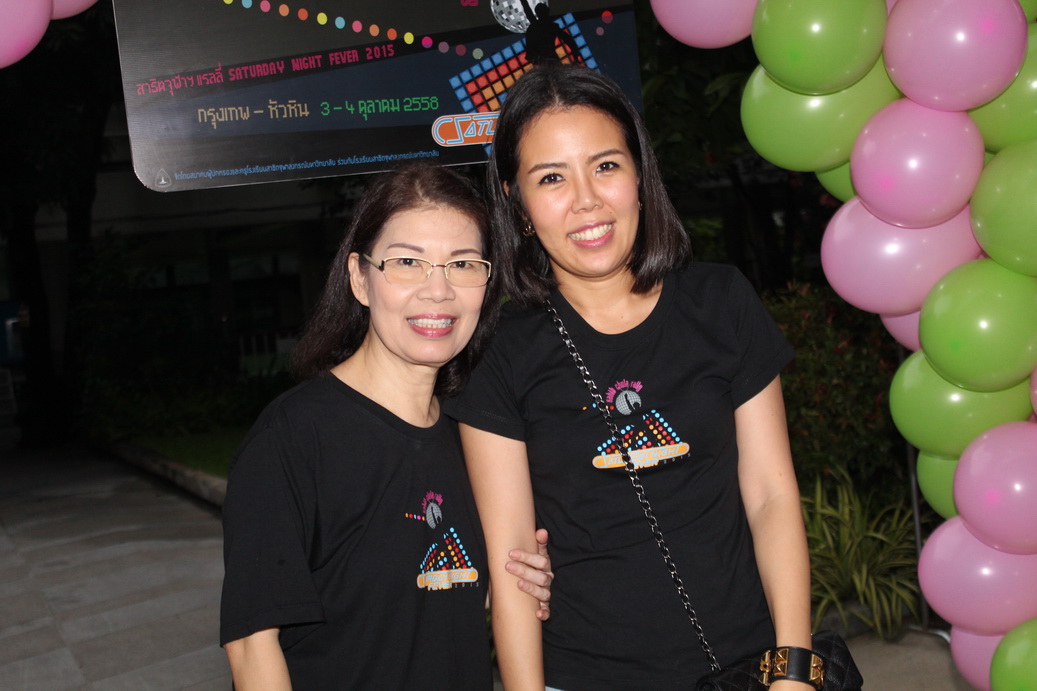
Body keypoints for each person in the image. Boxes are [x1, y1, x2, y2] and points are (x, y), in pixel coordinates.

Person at [443, 63, 814, 690]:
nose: (586, 199)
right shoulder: (500, 351)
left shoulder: (721, 303)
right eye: (552, 178)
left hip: (747, 664)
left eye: (606, 166)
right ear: (518, 203)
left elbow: (771, 497)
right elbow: (515, 563)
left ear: (639, 174)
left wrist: (794, 668)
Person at [220, 162, 554, 690]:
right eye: (407, 263)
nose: (438, 291)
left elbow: (437, 588)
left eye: (463, 264)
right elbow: (251, 647)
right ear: (359, 277)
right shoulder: (293, 438)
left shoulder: (474, 440)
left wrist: (517, 577)